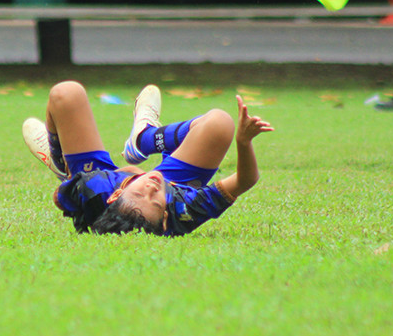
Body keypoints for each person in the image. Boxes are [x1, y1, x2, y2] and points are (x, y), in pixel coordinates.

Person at [21, 81, 272, 236]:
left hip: (105, 176)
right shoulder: (184, 210)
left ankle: (58, 159)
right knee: (220, 123)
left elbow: (59, 198)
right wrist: (243, 141)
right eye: (155, 201)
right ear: (165, 218)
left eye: (141, 194)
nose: (151, 189)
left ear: (115, 195)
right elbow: (246, 180)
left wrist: (71, 179)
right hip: (173, 183)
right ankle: (143, 139)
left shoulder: (93, 189)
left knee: (66, 93)